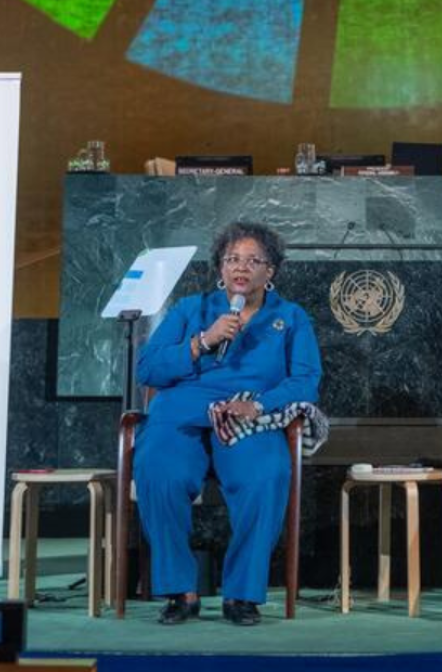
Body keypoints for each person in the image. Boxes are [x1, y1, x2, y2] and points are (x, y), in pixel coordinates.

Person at [134, 222, 322, 626]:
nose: (241, 268)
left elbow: (306, 379)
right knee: (158, 470)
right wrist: (202, 341)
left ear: (270, 271)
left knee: (266, 475)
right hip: (182, 412)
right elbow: (148, 368)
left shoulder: (290, 318)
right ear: (220, 268)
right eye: (232, 259)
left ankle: (242, 593)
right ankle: (179, 589)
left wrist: (260, 404)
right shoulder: (191, 310)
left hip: (245, 416)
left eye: (253, 260)